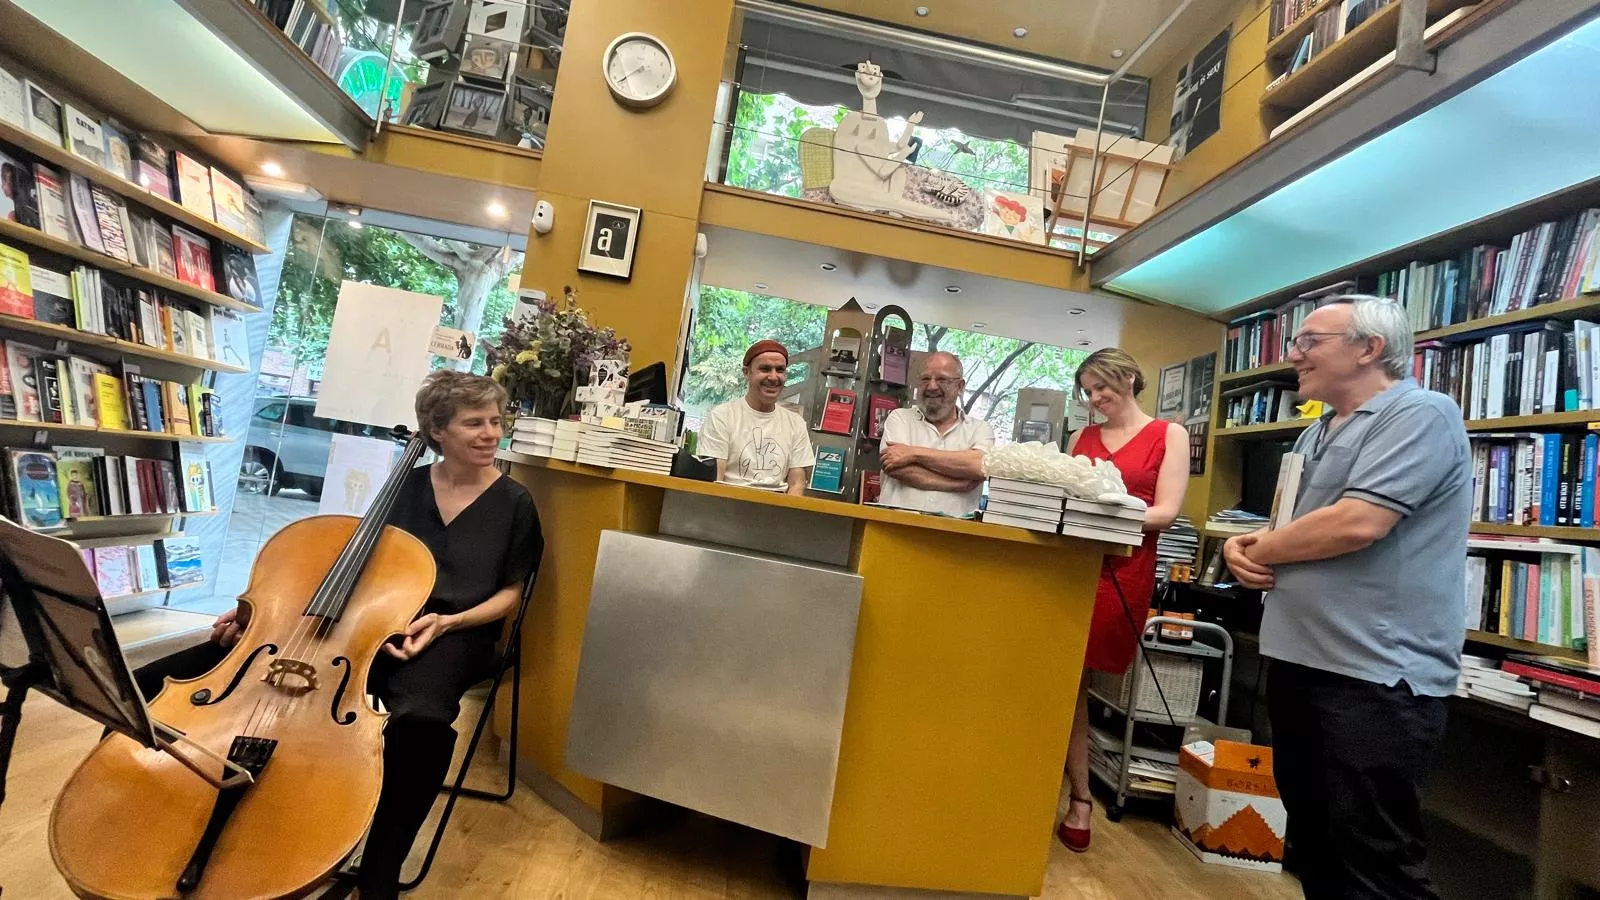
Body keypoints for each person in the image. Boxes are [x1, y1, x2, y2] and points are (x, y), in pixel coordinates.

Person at [131, 371, 544, 900]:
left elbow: (512, 592)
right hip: (364, 627)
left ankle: (379, 871)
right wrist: (248, 612)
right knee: (156, 677)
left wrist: (450, 621)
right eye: (474, 423)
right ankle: (155, 809)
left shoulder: (514, 503)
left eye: (494, 421)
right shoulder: (406, 488)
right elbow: (344, 562)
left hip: (450, 635)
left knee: (421, 723)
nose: (491, 433)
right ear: (438, 432)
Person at [1223, 296, 1470, 900]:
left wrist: (1263, 548)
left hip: (1372, 681)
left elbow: (1358, 522)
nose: (1294, 354)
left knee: (1374, 865)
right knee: (1317, 849)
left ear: (1369, 348)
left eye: (1310, 341)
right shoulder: (1314, 431)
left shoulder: (1421, 414)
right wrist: (1240, 545)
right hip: (1300, 663)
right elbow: (1288, 527)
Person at [1055, 348, 1190, 853]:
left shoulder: (1167, 435)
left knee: (1081, 679)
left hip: (1122, 571)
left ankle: (1079, 796)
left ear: (1130, 376)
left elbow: (1166, 513)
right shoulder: (1081, 438)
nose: (1097, 398)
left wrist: (1107, 512)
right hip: (1071, 566)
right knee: (1063, 677)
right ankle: (1077, 794)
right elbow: (1063, 496)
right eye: (1089, 391)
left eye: (1103, 386)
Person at [877, 351, 994, 515]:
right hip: (893, 530)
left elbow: (979, 466)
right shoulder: (899, 418)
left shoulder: (980, 429)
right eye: (925, 379)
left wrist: (913, 453)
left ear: (960, 386)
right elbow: (895, 467)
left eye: (942, 379)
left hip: (952, 536)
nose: (932, 386)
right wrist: (958, 483)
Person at [698, 339, 815, 495]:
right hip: (727, 505)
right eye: (765, 369)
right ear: (747, 373)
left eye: (780, 370)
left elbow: (797, 484)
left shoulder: (796, 423)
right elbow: (714, 479)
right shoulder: (722, 416)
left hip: (776, 511)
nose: (773, 377)